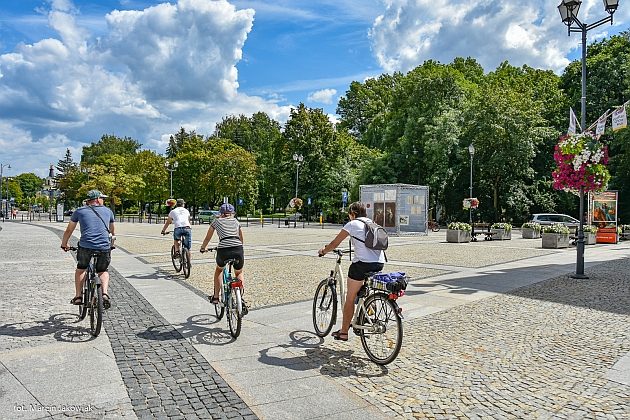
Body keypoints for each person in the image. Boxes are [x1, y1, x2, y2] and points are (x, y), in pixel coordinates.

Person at [318, 201, 385, 341]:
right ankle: (367, 308)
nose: (349, 217)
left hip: (362, 265)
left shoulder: (353, 224)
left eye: (349, 214)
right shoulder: (371, 223)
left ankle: (343, 332)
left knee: (350, 297)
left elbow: (335, 243)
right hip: (379, 263)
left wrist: (324, 251)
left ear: (353, 214)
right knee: (364, 290)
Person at [61, 190, 115, 309]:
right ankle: (104, 294)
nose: (103, 201)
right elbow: (112, 231)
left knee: (81, 269)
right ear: (97, 199)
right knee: (103, 271)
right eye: (102, 198)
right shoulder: (108, 211)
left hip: (86, 246)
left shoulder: (79, 211)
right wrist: (110, 244)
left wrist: (64, 244)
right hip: (104, 247)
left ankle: (78, 296)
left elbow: (69, 230)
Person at [199, 203, 248, 314]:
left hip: (223, 250)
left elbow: (208, 237)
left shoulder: (216, 221)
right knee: (239, 272)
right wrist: (240, 248)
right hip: (238, 249)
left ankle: (216, 297)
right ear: (232, 213)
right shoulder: (236, 221)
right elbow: (241, 237)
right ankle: (241, 297)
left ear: (220, 213)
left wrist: (203, 248)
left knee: (219, 270)